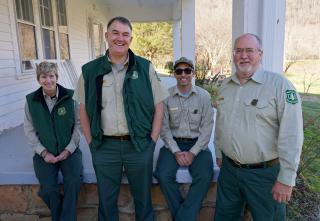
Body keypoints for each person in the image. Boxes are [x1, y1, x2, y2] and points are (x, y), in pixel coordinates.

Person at [73, 16, 168, 221]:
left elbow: (159, 107)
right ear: (106, 36)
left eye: (125, 34)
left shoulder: (145, 68)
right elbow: (82, 110)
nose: (120, 38)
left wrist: (152, 141)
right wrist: (91, 142)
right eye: (115, 33)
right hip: (104, 146)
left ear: (131, 39)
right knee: (106, 202)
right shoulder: (89, 71)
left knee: (143, 199)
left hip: (139, 145)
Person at [214, 33, 304, 221]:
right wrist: (219, 153)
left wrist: (286, 179)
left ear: (260, 54)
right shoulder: (226, 85)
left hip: (264, 175)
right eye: (238, 51)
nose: (243, 55)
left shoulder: (280, 86)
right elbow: (222, 123)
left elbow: (292, 135)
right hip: (230, 171)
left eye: (249, 50)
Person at [154, 57, 214, 221]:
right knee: (163, 174)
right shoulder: (165, 97)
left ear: (193, 73)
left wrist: (193, 152)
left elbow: (207, 128)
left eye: (187, 71)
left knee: (205, 175)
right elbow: (164, 128)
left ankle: (182, 217)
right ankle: (185, 216)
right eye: (179, 71)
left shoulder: (204, 96)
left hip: (197, 144)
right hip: (173, 143)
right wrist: (176, 151)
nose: (183, 75)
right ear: (174, 74)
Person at [24, 61, 83, 221]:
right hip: (45, 152)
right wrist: (43, 152)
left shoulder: (71, 97)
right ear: (38, 79)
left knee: (73, 182)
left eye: (51, 76)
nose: (48, 80)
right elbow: (29, 130)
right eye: (43, 77)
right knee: (48, 189)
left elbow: (79, 126)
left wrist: (68, 150)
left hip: (69, 151)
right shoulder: (31, 101)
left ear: (56, 77)